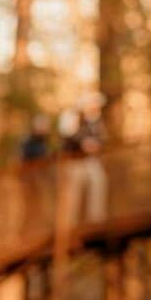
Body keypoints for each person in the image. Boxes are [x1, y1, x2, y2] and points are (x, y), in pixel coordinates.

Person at [62, 94, 109, 224]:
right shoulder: (73, 117)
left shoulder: (97, 121)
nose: (96, 107)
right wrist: (83, 142)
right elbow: (68, 135)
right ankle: (70, 224)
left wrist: (97, 145)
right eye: (93, 104)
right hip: (75, 161)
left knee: (99, 182)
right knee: (73, 193)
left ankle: (96, 220)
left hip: (90, 160)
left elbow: (102, 138)